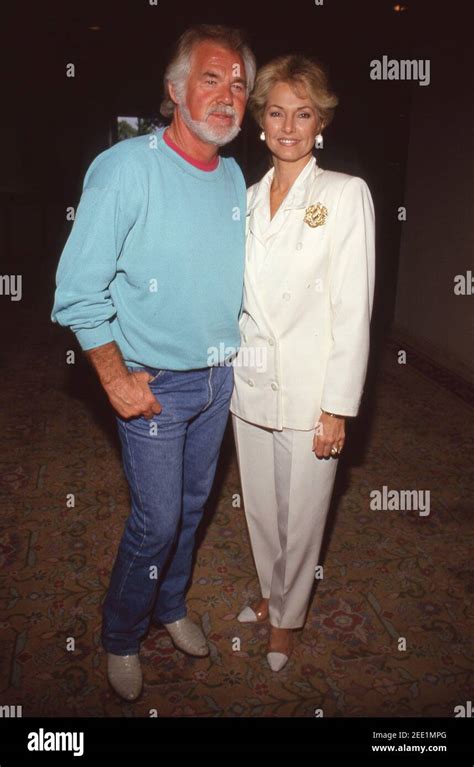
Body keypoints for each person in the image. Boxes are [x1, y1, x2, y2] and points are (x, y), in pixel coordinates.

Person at [51, 24, 256, 700]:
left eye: (239, 83)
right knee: (158, 519)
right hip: (154, 384)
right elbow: (78, 291)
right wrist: (113, 376)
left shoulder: (232, 176)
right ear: (173, 90)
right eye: (211, 77)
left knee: (193, 509)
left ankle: (169, 605)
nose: (228, 94)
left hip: (217, 378)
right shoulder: (124, 168)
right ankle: (120, 632)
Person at [230, 54, 375, 671]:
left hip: (312, 389)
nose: (288, 126)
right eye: (276, 112)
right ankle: (271, 594)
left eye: (303, 114)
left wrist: (337, 407)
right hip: (249, 379)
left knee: (304, 511)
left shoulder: (344, 195)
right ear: (260, 122)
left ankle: (289, 618)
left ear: (322, 124)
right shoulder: (243, 196)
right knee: (260, 503)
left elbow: (353, 309)